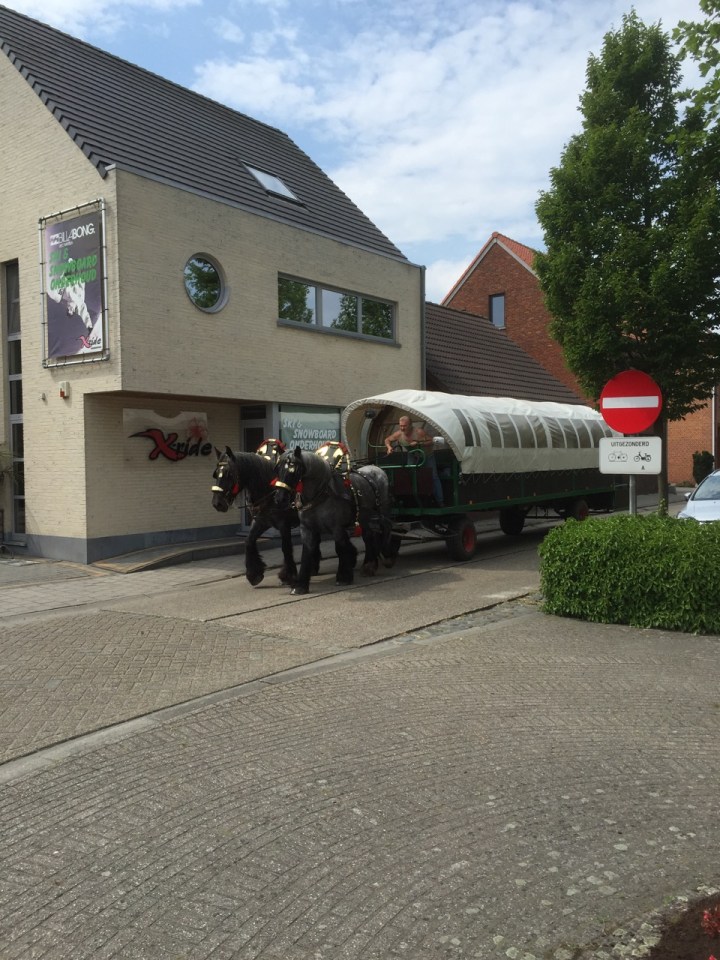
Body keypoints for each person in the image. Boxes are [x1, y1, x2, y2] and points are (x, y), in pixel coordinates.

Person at [384, 415, 444, 506]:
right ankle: (411, 501)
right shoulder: (399, 434)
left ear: (410, 425)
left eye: (405, 426)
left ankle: (440, 501)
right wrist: (389, 447)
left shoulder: (419, 432)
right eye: (401, 426)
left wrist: (419, 443)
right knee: (410, 475)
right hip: (412, 455)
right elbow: (387, 439)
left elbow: (431, 441)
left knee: (433, 476)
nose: (402, 428)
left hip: (427, 455)